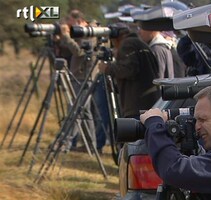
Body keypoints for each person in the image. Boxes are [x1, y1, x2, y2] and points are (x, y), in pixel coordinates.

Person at [99, 22, 160, 119]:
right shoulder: (139, 43)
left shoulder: (127, 44)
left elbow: (128, 69)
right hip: (148, 103)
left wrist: (107, 68)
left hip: (136, 106)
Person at [58, 9, 97, 150]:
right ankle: (90, 145)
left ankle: (64, 144)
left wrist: (67, 36)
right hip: (79, 76)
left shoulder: (91, 32)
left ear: (78, 21)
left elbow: (79, 51)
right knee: (84, 112)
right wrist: (61, 38)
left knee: (75, 110)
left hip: (84, 77)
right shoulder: (81, 32)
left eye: (72, 25)